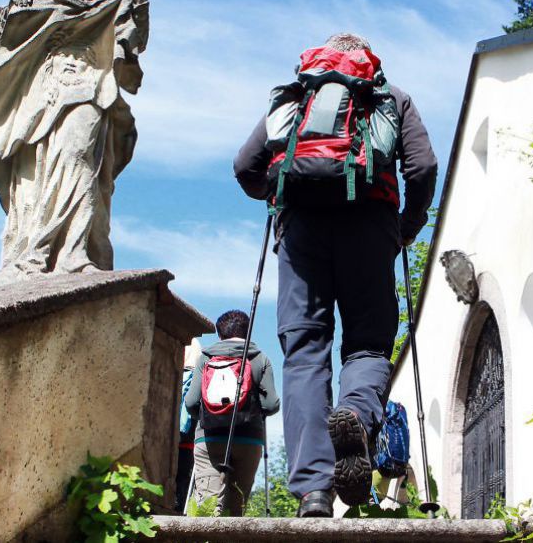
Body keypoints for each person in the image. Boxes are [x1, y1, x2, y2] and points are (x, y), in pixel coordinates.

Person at [233, 33, 437, 517]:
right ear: (368, 60)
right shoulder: (390, 97)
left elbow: (245, 166)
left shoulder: (298, 95)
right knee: (367, 344)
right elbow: (423, 166)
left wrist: (278, 194)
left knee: (304, 350)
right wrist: (406, 228)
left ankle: (314, 490)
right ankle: (357, 418)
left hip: (301, 228)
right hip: (371, 224)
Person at [0, 0, 149, 287]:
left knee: (78, 153)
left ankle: (74, 253)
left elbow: (128, 45)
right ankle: (28, 255)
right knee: (34, 170)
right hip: (41, 84)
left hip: (89, 80)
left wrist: (132, 18)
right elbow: (7, 33)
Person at [183, 310, 280, 516]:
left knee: (207, 508)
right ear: (248, 332)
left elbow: (191, 402)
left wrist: (204, 417)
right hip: (249, 440)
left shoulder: (206, 357)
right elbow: (272, 404)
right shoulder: (260, 358)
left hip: (210, 438)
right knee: (235, 509)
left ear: (219, 334)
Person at [174, 338, 202, 513]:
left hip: (172, 438)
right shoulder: (196, 378)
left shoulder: (174, 376)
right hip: (188, 440)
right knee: (183, 479)